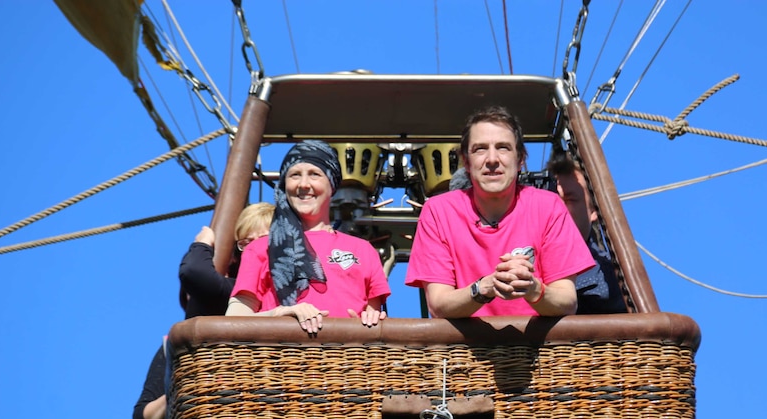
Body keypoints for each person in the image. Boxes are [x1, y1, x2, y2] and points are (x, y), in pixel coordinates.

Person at [405, 106, 595, 318]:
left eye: (503, 148)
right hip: (464, 350)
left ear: (520, 159)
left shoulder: (548, 206)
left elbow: (567, 301)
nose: (492, 159)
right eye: (480, 149)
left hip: (538, 348)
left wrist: (532, 289)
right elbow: (439, 304)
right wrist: (484, 288)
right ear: (466, 162)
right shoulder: (438, 212)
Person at [132, 202, 275, 419]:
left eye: (265, 240)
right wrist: (190, 384)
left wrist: (202, 243)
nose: (256, 250)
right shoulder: (229, 295)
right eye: (247, 243)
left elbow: (194, 273)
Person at [226, 140, 390, 334]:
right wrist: (281, 314)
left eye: (314, 174)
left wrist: (370, 320)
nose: (303, 184)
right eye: (295, 175)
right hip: (279, 358)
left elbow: (373, 313)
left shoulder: (363, 250)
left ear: (332, 185)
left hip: (347, 359)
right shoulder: (260, 248)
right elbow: (234, 321)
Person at [545, 153, 627, 314]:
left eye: (570, 200)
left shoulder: (611, 281)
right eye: (553, 199)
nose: (558, 208)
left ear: (593, 210)